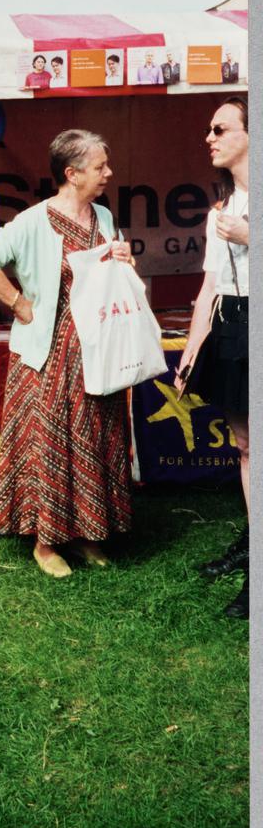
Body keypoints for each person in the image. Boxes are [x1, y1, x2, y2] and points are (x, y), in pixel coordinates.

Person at [0, 129, 134, 577]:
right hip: (49, 358)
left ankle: (85, 533)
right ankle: (46, 544)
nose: (108, 173)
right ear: (72, 173)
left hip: (96, 353)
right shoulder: (33, 221)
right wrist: (18, 302)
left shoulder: (103, 215)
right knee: (52, 444)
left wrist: (124, 258)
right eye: (100, 166)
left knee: (93, 440)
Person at [175, 96, 249, 619]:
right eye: (209, 129)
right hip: (231, 325)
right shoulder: (219, 211)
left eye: (220, 129)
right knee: (245, 445)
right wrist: (190, 349)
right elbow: (209, 289)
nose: (209, 137)